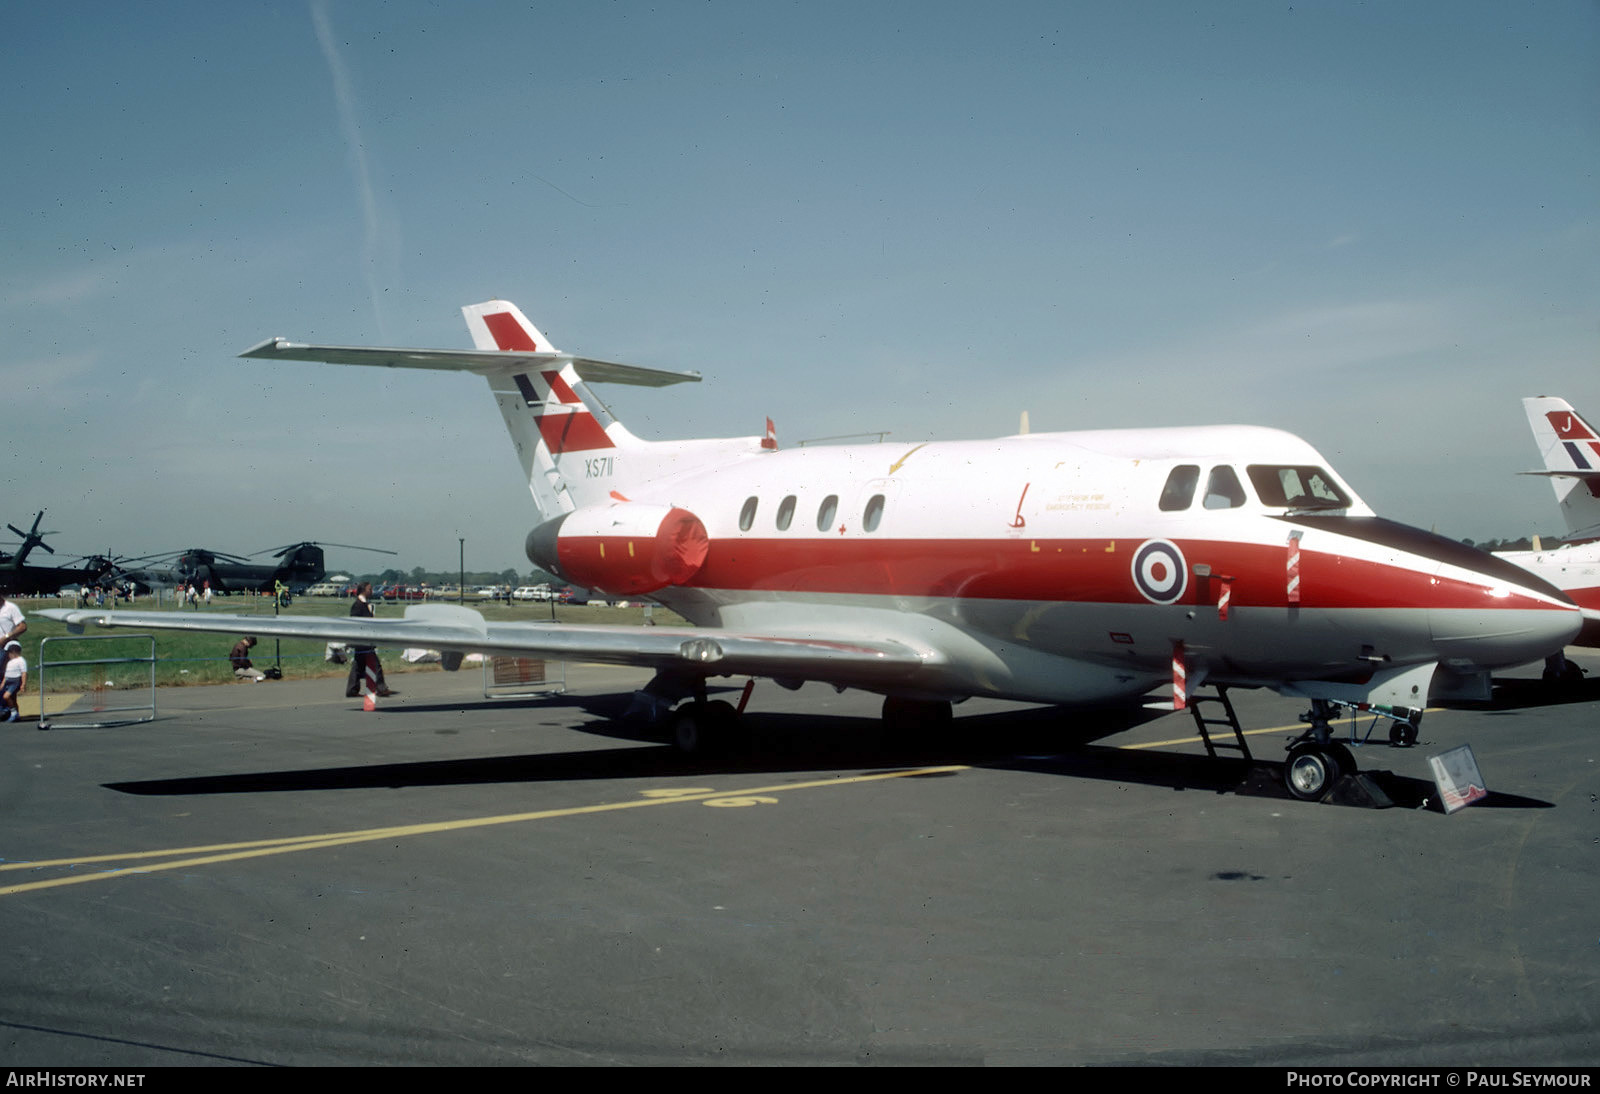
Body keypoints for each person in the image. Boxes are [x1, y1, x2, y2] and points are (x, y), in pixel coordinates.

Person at [345, 582, 395, 698]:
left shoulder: (363, 604)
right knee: (374, 664)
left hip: (365, 640)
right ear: (363, 590)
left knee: (358, 666)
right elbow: (356, 622)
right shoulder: (358, 605)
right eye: (369, 589)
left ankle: (352, 690)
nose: (371, 591)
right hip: (363, 640)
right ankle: (381, 688)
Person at [2, 640, 26, 722]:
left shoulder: (21, 660)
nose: (8, 655)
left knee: (6, 696)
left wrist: (23, 684)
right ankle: (16, 714)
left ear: (14, 652)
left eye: (9, 653)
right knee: (13, 698)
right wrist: (3, 683)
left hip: (15, 681)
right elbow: (6, 674)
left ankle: (13, 712)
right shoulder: (10, 662)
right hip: (8, 681)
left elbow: (24, 673)